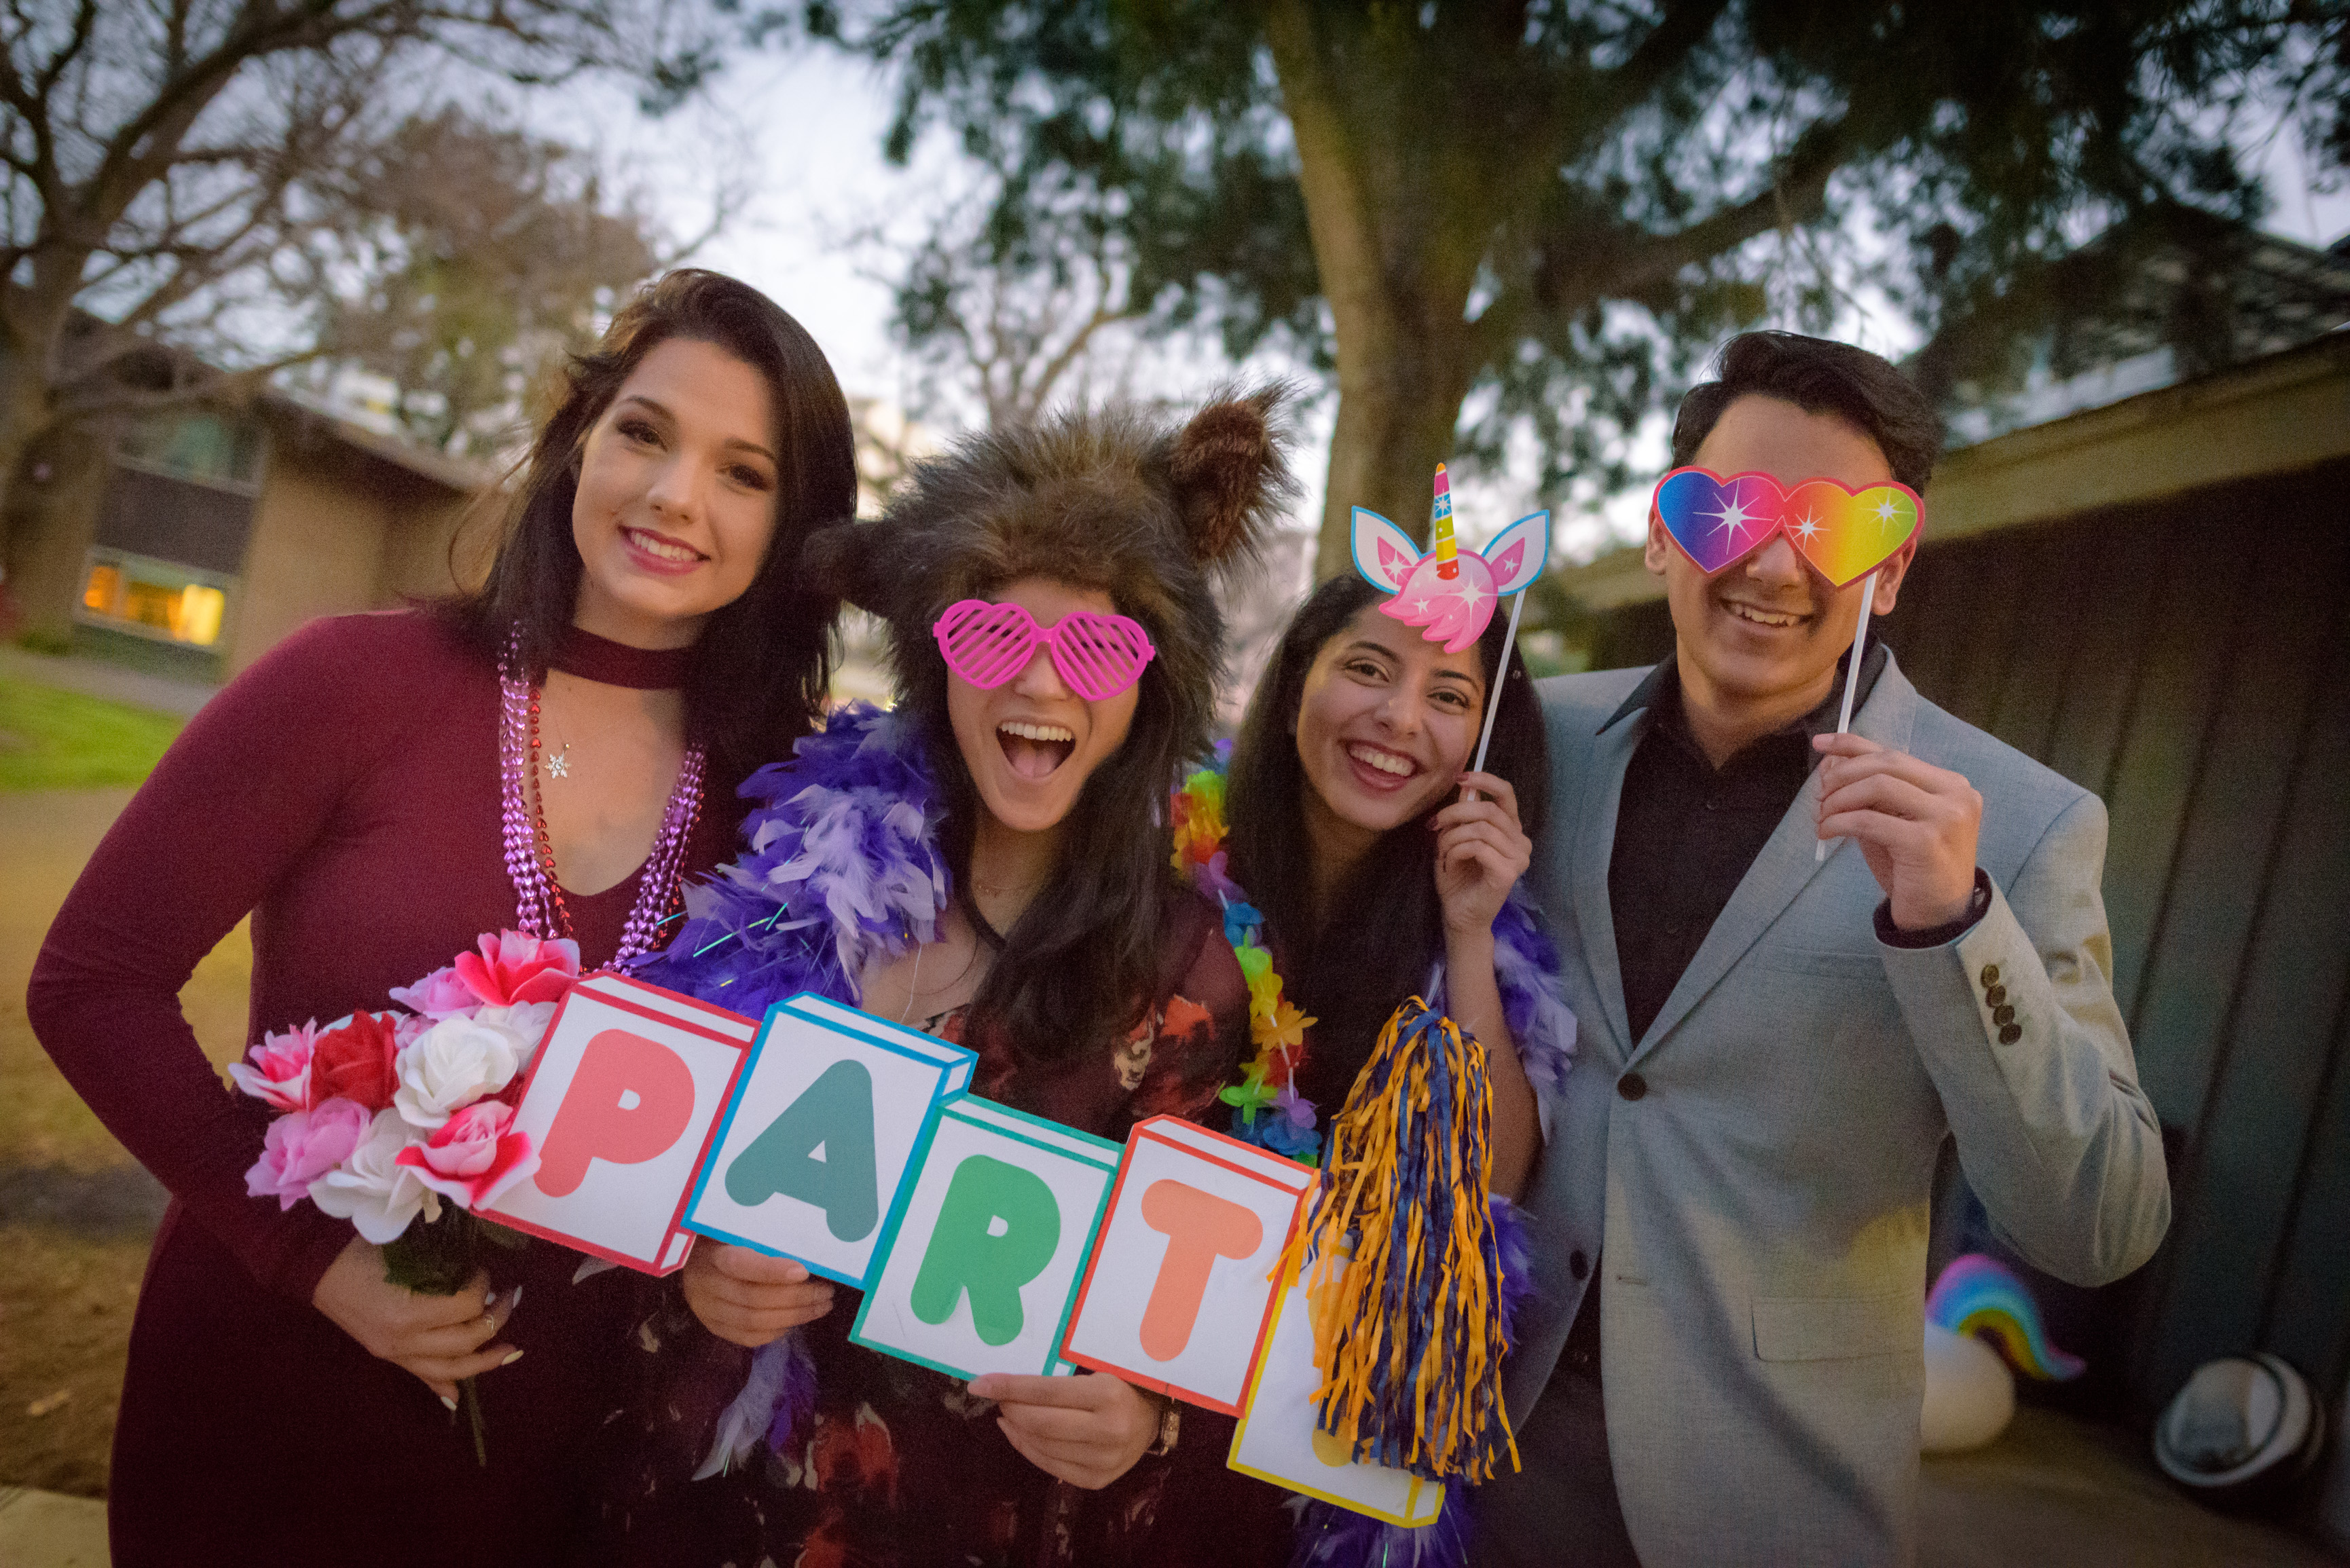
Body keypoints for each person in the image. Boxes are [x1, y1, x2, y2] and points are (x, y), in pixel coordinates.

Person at [26, 269, 858, 1568]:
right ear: (579, 438)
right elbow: (93, 981)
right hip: (268, 1391)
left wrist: (710, 1266)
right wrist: (305, 1259)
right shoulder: (356, 681)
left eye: (743, 471)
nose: (673, 495)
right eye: (643, 431)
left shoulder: (780, 806)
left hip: (556, 1453)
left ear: (793, 525)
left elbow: (746, 1130)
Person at [1474, 331, 2171, 1566]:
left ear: (1890, 568)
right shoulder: (1533, 740)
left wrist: (1957, 927)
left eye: (1835, 527)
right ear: (1660, 531)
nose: (1774, 558)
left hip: (1766, 1494)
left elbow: (2102, 1225)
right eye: (1725, 508)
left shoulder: (2017, 822)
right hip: (1484, 1452)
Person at [595, 388, 1301, 1568]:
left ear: (1147, 690)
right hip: (714, 1507)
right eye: (992, 639)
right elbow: (652, 1165)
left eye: (1095, 649)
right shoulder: (797, 875)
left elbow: (1195, 1327)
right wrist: (699, 1274)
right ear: (935, 660)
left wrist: (1141, 1418)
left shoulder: (1189, 973)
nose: (1039, 685)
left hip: (962, 1521)